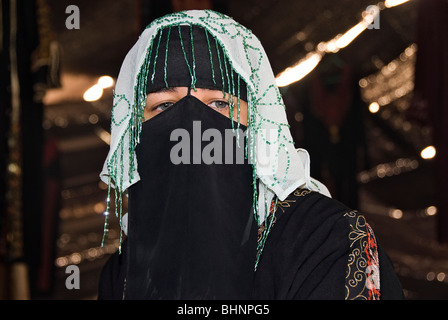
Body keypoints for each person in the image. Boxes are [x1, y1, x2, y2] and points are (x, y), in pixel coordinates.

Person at [97, 9, 404, 300]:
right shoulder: (126, 270)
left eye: (219, 104)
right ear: (133, 131)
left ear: (258, 121)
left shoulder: (328, 243)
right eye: (164, 106)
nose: (191, 128)